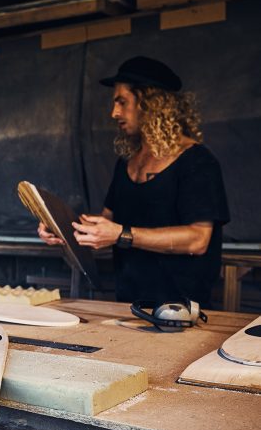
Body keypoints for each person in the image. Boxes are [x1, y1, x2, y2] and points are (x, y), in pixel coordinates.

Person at [38, 56, 229, 307]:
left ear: (151, 104)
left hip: (181, 313)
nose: (114, 112)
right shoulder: (126, 163)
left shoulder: (197, 162)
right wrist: (62, 228)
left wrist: (121, 234)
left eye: (122, 101)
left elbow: (198, 240)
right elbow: (107, 226)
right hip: (130, 307)